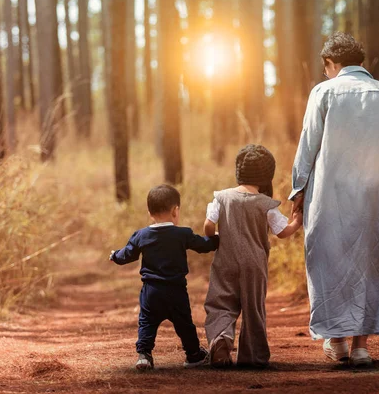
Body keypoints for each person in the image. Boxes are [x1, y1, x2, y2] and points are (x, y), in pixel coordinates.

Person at [290, 32, 379, 367]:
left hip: (331, 193)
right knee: (372, 260)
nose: (325, 74)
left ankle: (337, 342)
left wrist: (297, 192)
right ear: (361, 63)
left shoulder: (323, 92)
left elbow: (307, 147)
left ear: (332, 64)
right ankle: (361, 345)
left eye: (326, 68)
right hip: (378, 193)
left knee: (331, 260)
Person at [203, 144, 303, 368]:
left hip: (225, 261)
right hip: (254, 265)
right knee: (253, 308)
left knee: (220, 302)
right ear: (267, 175)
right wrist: (297, 221)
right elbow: (282, 232)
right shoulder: (266, 204)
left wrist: (217, 237)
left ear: (239, 171)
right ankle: (253, 357)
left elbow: (208, 225)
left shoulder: (222, 197)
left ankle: (221, 340)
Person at [110, 184, 219, 370]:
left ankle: (144, 356)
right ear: (175, 210)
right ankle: (193, 355)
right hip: (176, 290)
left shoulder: (141, 235)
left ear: (149, 212)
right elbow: (203, 246)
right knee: (185, 324)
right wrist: (217, 237)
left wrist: (114, 255)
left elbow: (127, 255)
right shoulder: (183, 234)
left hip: (151, 291)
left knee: (147, 322)